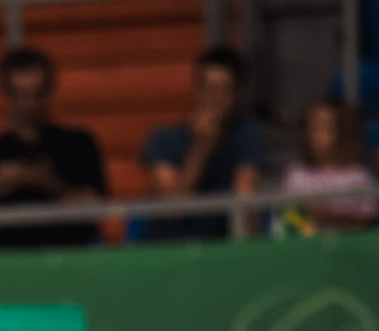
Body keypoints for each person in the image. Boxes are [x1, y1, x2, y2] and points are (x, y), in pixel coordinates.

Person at [0, 46, 106, 250]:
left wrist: (52, 185)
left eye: (38, 93)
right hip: (3, 260)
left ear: (50, 90)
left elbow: (98, 209)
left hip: (66, 257)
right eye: (21, 94)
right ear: (6, 93)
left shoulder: (78, 144)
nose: (30, 103)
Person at [142, 46, 268, 240]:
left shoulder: (247, 135)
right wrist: (201, 147)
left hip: (221, 247)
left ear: (237, 94)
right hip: (168, 244)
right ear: (197, 90)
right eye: (210, 89)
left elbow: (245, 207)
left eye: (224, 90)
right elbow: (174, 210)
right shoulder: (162, 140)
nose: (216, 99)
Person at [280, 100, 378, 232]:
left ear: (343, 132)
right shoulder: (296, 174)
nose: (313, 135)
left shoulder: (359, 176)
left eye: (322, 127)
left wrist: (330, 216)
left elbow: (366, 223)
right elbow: (288, 219)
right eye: (310, 127)